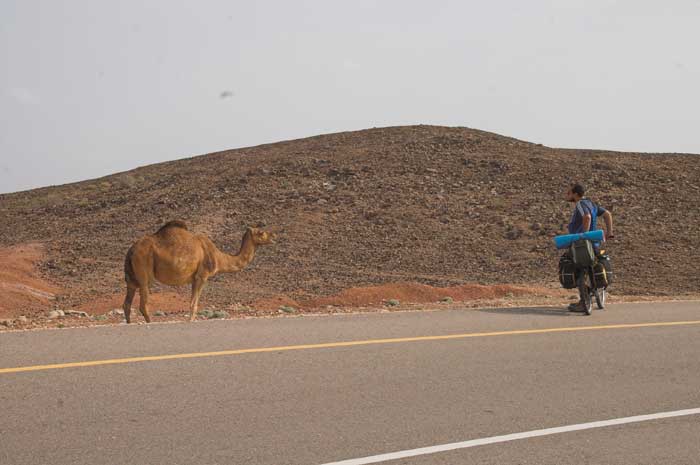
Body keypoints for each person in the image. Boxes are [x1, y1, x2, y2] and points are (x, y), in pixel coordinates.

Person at [564, 183, 614, 311]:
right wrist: (609, 232)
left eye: (569, 193)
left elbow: (587, 217)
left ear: (575, 194)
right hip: (594, 244)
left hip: (582, 245)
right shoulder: (592, 204)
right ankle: (592, 291)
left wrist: (584, 235)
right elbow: (607, 214)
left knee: (574, 265)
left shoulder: (580, 204)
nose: (567, 195)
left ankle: (583, 302)